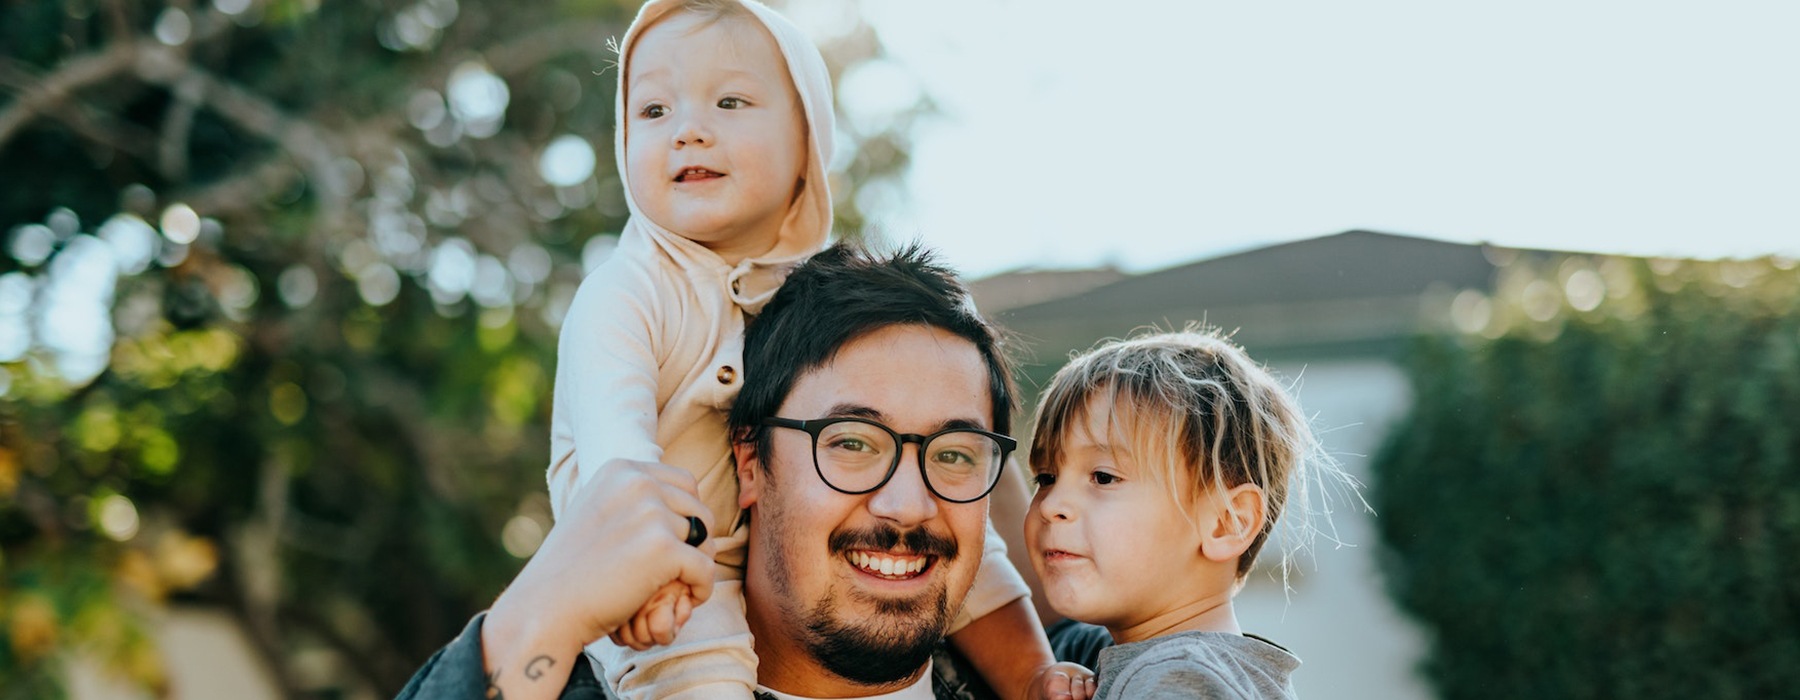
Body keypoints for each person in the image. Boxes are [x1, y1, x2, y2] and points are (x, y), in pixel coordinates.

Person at [542, 0, 1056, 697]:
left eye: (729, 102)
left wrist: (962, 448)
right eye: (654, 110)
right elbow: (617, 468)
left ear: (807, 142)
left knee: (968, 544)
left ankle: (1035, 678)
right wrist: (646, 570)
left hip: (756, 555)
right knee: (696, 663)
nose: (688, 131)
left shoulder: (821, 295)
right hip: (667, 571)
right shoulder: (624, 295)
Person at [399, 245, 1088, 699]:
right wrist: (544, 608)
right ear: (751, 461)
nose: (908, 505)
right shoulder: (589, 689)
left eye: (954, 454)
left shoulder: (1099, 673)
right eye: (851, 443)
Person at [1023, 330, 1346, 698]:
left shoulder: (1177, 681)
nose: (1050, 505)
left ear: (1227, 521)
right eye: (1045, 478)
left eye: (1103, 477)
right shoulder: (1178, 667)